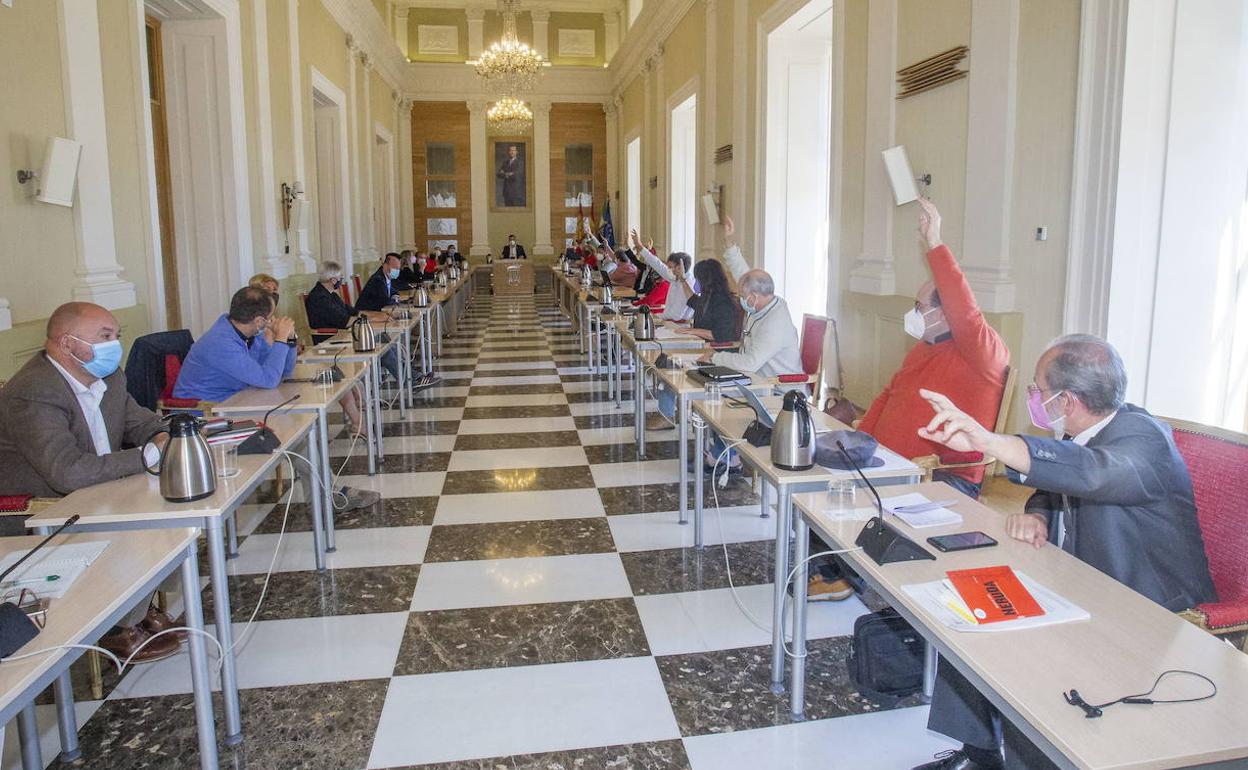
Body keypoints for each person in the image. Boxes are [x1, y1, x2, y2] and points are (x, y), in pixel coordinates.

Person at [911, 334, 1216, 770]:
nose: (1034, 398)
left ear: (1067, 400)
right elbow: (1059, 480)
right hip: (1079, 577)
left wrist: (990, 441)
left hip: (1142, 599)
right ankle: (978, 754)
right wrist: (1037, 514)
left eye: (1037, 390)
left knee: (1032, 661)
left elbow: (1091, 473)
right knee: (975, 611)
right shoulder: (1088, 430)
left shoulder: (1144, 438)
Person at [0, 302, 181, 663]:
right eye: (105, 336)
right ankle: (113, 625)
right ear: (67, 344)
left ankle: (133, 606)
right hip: (41, 506)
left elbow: (141, 423)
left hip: (97, 487)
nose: (114, 345)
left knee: (169, 512)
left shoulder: (109, 378)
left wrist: (161, 437)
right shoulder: (33, 391)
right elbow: (67, 472)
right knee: (139, 522)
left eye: (116, 335)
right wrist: (148, 456)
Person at [858, 198, 1009, 500]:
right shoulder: (924, 348)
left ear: (944, 312)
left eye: (920, 306)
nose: (914, 312)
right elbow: (889, 395)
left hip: (940, 476)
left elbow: (965, 311)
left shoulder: (983, 353)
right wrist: (859, 441)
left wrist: (935, 242)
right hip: (890, 466)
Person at [691, 216, 802, 474]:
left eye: (743, 297)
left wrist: (715, 357)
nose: (741, 301)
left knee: (720, 402)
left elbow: (750, 362)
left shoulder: (775, 322)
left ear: (754, 297)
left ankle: (726, 457)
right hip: (755, 381)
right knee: (714, 397)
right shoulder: (760, 299)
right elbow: (744, 274)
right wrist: (730, 242)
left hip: (776, 389)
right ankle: (722, 454)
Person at [647, 258, 741, 432]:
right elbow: (692, 300)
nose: (695, 282)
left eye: (697, 279)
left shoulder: (723, 303)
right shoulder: (707, 297)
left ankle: (666, 415)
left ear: (706, 279)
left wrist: (693, 330)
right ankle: (666, 413)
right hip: (703, 348)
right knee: (667, 362)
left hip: (717, 353)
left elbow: (721, 336)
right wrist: (683, 279)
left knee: (671, 367)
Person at [173, 287, 298, 402]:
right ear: (259, 321)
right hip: (203, 409)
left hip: (234, 400)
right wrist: (280, 338)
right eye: (270, 317)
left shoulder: (252, 336)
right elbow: (268, 380)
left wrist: (290, 339)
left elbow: (282, 372)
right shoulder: (221, 343)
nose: (273, 320)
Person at [630, 229, 696, 322]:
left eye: (670, 267)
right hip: (667, 320)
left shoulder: (687, 285)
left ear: (679, 268)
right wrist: (639, 246)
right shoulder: (675, 276)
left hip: (677, 324)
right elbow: (657, 264)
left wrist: (655, 316)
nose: (668, 270)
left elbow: (675, 315)